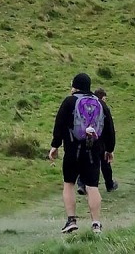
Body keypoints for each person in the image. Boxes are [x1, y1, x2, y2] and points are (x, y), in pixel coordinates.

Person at [49, 73, 116, 234]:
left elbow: (59, 125)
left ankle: (71, 220)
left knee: (69, 184)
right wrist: (109, 149)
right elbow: (109, 128)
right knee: (92, 186)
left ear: (75, 86)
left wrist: (55, 145)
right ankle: (96, 223)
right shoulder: (100, 103)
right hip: (93, 150)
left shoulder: (69, 101)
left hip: (72, 149)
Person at [76, 88, 118, 195]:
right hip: (100, 141)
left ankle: (81, 184)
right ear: (102, 97)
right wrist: (110, 147)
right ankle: (109, 184)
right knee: (105, 163)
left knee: (84, 162)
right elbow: (109, 128)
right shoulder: (103, 107)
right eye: (105, 98)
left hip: (85, 138)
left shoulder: (85, 105)